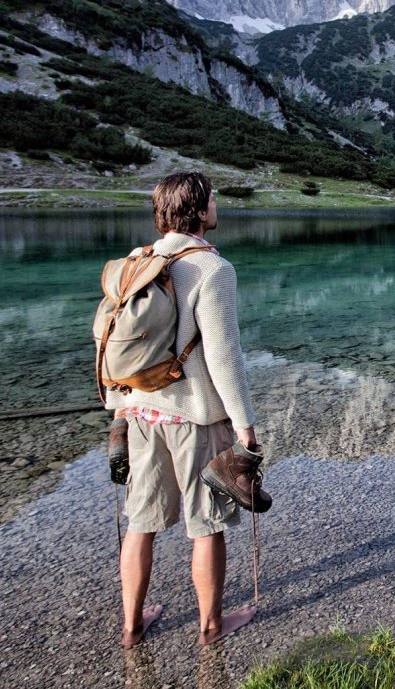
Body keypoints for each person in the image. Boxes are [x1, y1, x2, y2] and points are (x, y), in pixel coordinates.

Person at [111, 171, 261, 649]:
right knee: (207, 522)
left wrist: (119, 410)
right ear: (199, 210)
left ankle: (133, 626)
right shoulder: (212, 269)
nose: (217, 206)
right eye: (212, 199)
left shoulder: (141, 260)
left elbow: (117, 343)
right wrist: (245, 425)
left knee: (142, 520)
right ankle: (211, 627)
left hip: (138, 412)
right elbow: (222, 355)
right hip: (194, 417)